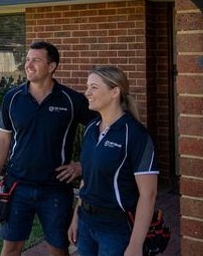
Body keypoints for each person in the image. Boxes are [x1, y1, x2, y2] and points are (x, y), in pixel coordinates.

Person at [0, 41, 96, 256]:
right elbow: (3, 139)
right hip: (16, 186)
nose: (29, 65)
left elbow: (101, 129)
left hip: (55, 189)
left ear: (52, 66)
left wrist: (82, 165)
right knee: (11, 248)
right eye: (27, 59)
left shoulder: (71, 100)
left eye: (36, 60)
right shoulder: (12, 98)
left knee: (58, 248)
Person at [68, 66, 158, 256]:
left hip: (116, 229)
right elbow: (88, 177)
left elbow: (148, 195)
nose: (87, 93)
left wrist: (135, 245)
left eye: (94, 87)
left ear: (115, 92)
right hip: (86, 222)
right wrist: (76, 217)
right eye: (87, 87)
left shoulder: (135, 135)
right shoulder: (91, 128)